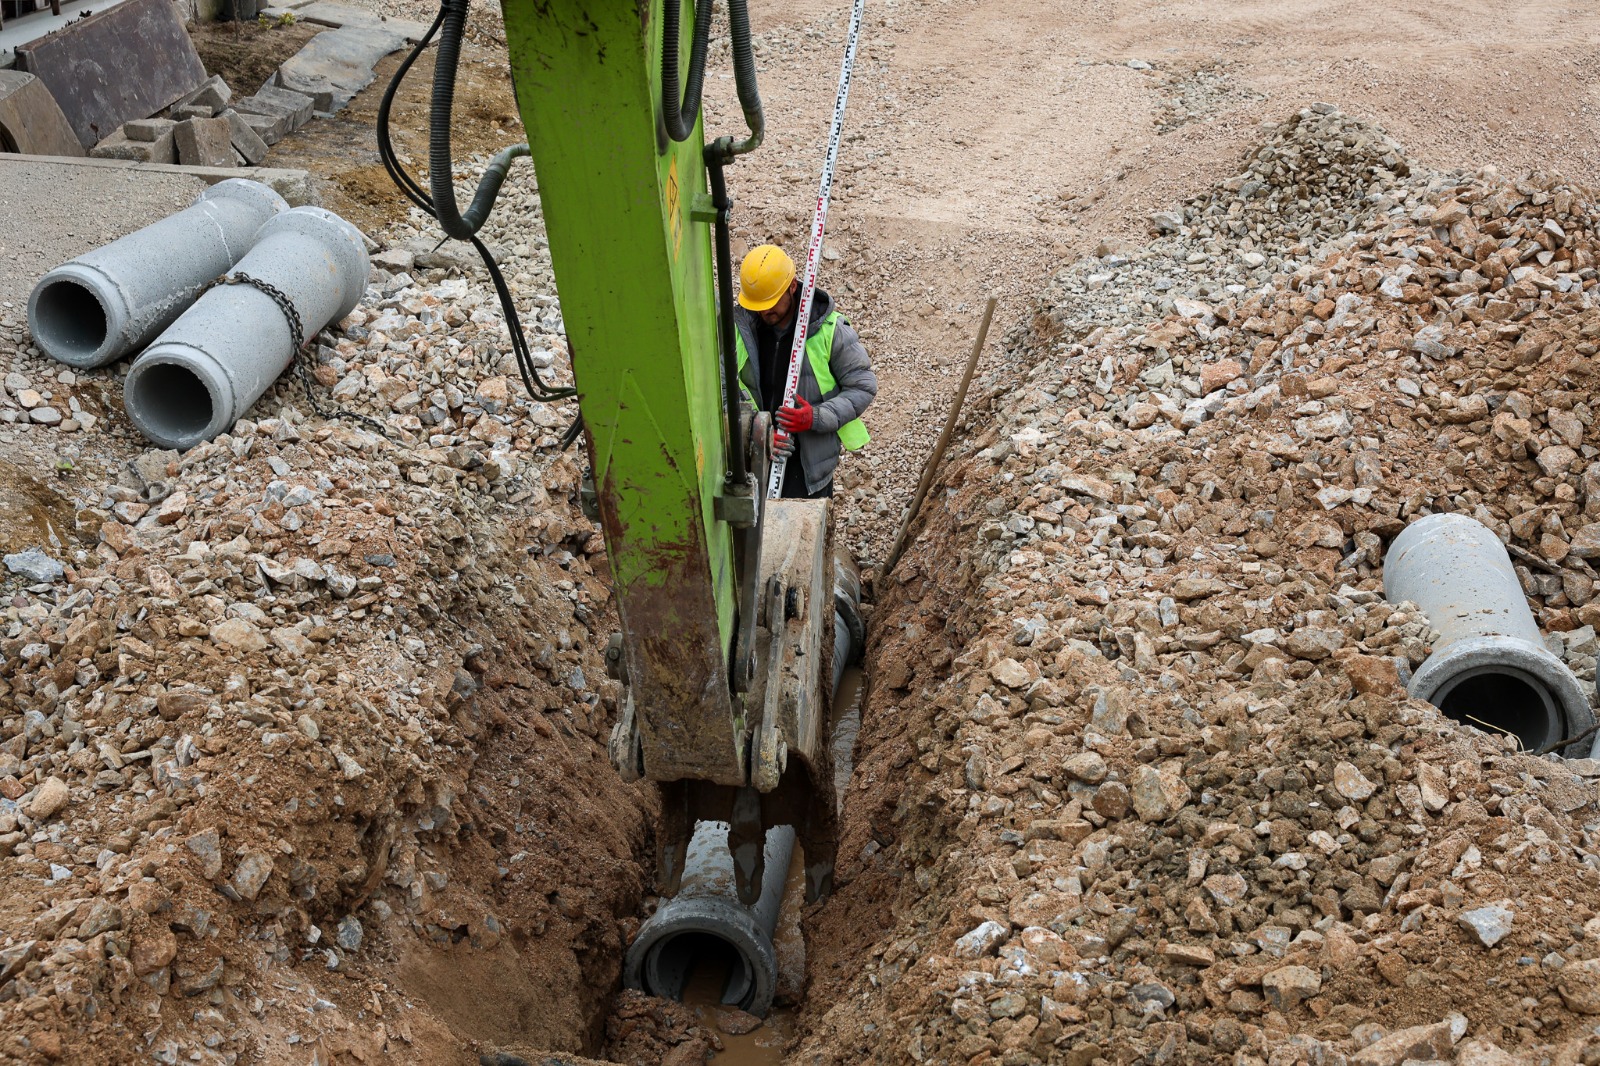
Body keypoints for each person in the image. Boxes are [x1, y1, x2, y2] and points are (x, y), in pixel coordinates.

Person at [733, 245, 877, 498]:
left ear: (792, 286)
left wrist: (816, 417)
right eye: (759, 305)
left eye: (772, 302)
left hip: (809, 469)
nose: (765, 311)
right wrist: (755, 432)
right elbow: (722, 392)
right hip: (752, 464)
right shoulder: (741, 330)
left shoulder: (830, 331)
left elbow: (862, 387)